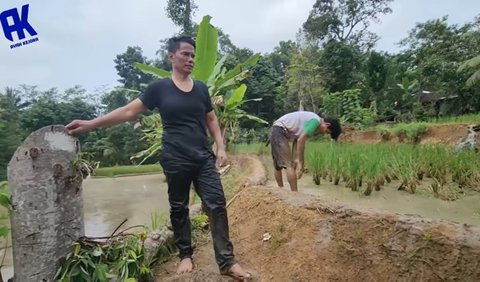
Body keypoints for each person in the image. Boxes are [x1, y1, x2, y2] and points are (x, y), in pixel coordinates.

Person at [65, 36, 251, 280]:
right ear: (171, 57)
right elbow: (129, 110)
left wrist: (221, 147)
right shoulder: (159, 89)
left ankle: (226, 261)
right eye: (185, 54)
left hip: (203, 157)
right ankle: (185, 254)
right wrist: (91, 124)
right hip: (175, 158)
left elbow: (211, 119)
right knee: (179, 207)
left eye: (193, 55)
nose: (191, 59)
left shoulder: (202, 89)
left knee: (216, 204)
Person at [268, 111, 341, 192]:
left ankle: (281, 190)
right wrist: (301, 163)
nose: (324, 133)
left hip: (277, 130)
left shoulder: (312, 119)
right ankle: (294, 193)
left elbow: (297, 139)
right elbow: (301, 140)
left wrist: (296, 158)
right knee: (288, 165)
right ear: (327, 124)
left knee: (279, 165)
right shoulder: (315, 121)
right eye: (327, 131)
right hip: (279, 130)